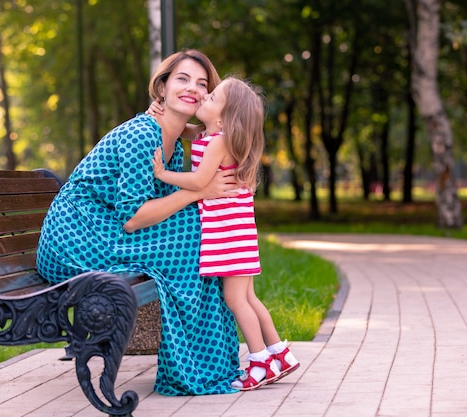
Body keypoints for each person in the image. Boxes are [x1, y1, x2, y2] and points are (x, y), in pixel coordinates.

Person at [36, 50, 243, 396]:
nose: (192, 88)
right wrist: (200, 192)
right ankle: (195, 370)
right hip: (75, 238)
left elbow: (205, 138)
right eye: (182, 79)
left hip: (105, 228)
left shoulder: (173, 140)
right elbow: (133, 219)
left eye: (202, 83)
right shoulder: (141, 136)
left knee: (198, 231)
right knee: (192, 235)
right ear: (161, 88)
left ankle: (211, 366)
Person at [150, 76, 300, 391]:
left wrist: (164, 174)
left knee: (235, 299)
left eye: (212, 97)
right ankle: (279, 352)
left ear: (223, 118)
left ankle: (259, 361)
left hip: (228, 234)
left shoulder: (218, 142)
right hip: (239, 233)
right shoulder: (214, 134)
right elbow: (185, 129)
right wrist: (164, 112)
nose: (204, 97)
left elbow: (200, 181)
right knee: (248, 297)